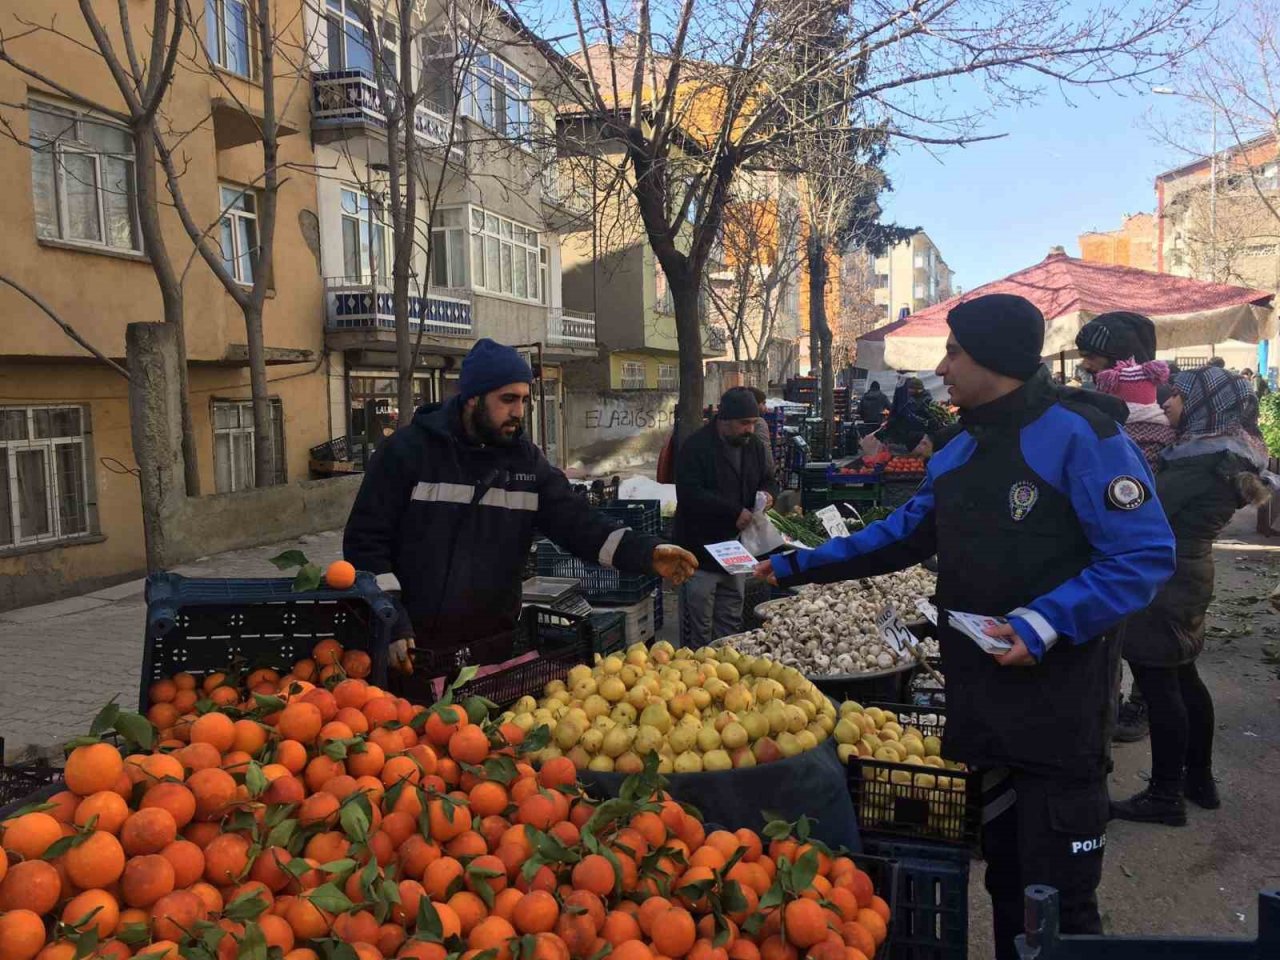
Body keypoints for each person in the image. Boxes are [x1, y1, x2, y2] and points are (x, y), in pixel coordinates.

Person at [754, 294, 1175, 959]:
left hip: (1060, 711)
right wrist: (794, 565)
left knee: (1059, 904)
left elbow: (1142, 555)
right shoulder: (960, 449)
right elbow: (899, 536)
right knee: (1005, 877)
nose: (942, 368)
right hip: (982, 705)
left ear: (993, 357)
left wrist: (1044, 622)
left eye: (953, 352)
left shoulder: (1082, 435)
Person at [344, 338, 698, 671]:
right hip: (413, 652)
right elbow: (365, 542)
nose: (519, 411)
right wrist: (392, 620)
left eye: (525, 400)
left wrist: (647, 553)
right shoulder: (407, 452)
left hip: (491, 651)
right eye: (508, 399)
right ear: (473, 398)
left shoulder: (526, 463)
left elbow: (580, 524)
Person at [1111, 366, 1269, 826]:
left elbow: (1146, 509)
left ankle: (1165, 795)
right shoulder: (1226, 453)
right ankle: (1199, 781)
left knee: (1160, 685)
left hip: (1165, 581)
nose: (1166, 402)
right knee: (1183, 679)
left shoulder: (1201, 461)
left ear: (1206, 404)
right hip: (1189, 576)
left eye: (1178, 396)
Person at [1076, 310, 1165, 741]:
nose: (1085, 364)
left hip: (1143, 539)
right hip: (1112, 538)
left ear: (1115, 359)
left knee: (1145, 636)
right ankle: (1107, 707)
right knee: (1115, 634)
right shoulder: (1104, 398)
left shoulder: (1151, 407)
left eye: (1091, 357)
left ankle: (1140, 705)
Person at [674, 387, 778, 644]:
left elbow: (768, 479)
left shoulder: (753, 446)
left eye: (753, 423)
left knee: (731, 618)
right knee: (698, 626)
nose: (750, 429)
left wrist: (768, 495)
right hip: (700, 551)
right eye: (744, 423)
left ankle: (726, 664)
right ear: (724, 420)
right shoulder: (696, 446)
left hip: (735, 550)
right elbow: (689, 494)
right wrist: (733, 512)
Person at [748, 387, 776, 475]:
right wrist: (770, 474)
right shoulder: (759, 423)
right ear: (754, 404)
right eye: (763, 403)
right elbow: (765, 452)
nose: (766, 409)